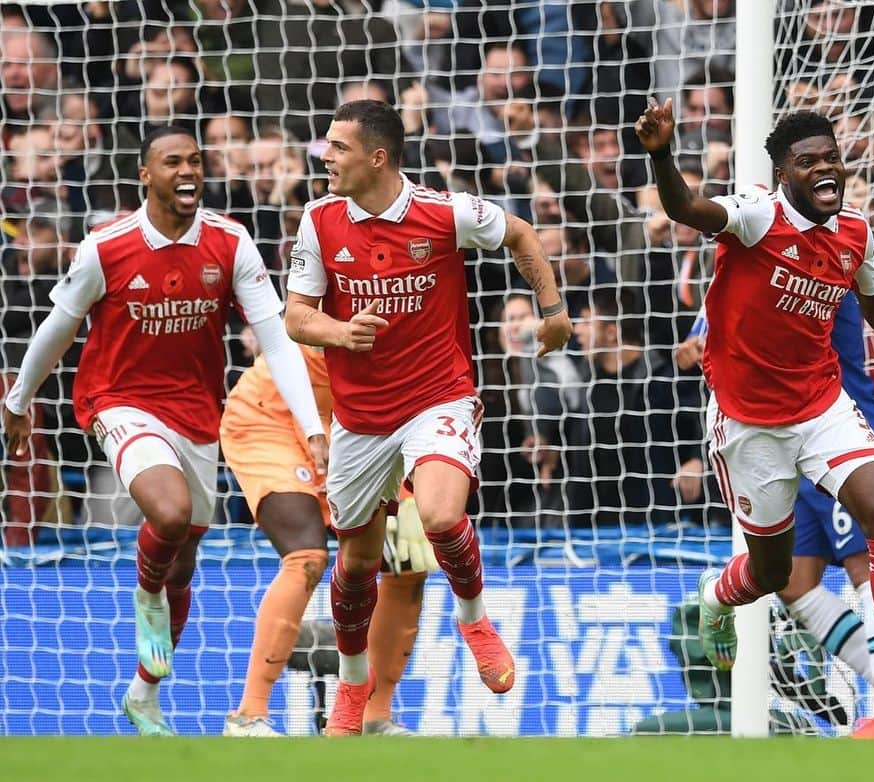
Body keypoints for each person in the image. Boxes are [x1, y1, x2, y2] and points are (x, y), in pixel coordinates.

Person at [636, 101, 874, 737]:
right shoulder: (756, 215)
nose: (825, 169)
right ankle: (717, 599)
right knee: (771, 574)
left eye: (831, 158)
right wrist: (662, 155)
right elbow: (686, 209)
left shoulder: (853, 232)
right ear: (783, 174)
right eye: (808, 162)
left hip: (823, 404)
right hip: (748, 421)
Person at [1, 125, 324, 736]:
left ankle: (144, 694)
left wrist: (312, 427)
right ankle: (144, 597)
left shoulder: (230, 243)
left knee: (183, 563)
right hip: (118, 401)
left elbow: (278, 340)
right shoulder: (107, 246)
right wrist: (19, 398)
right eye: (173, 162)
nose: (188, 171)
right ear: (145, 175)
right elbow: (58, 327)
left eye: (196, 161)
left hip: (199, 414)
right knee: (169, 515)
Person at [284, 100, 572, 736]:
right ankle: (354, 688)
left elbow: (522, 232)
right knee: (357, 564)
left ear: (377, 158)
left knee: (441, 514)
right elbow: (296, 316)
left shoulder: (445, 213)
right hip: (361, 418)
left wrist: (551, 309)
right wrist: (340, 329)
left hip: (437, 397)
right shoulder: (319, 220)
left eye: (337, 147)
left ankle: (473, 618)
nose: (324, 156)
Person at [681, 288, 874, 717]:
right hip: (783, 440)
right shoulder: (735, 268)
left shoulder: (816, 260)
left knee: (863, 563)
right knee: (794, 580)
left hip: (838, 432)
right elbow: (694, 348)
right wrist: (697, 347)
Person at [220, 343, 435, 736]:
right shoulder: (332, 282)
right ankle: (249, 714)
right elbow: (297, 319)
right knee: (307, 556)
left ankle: (376, 716)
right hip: (274, 415)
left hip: (365, 419)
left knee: (409, 557)